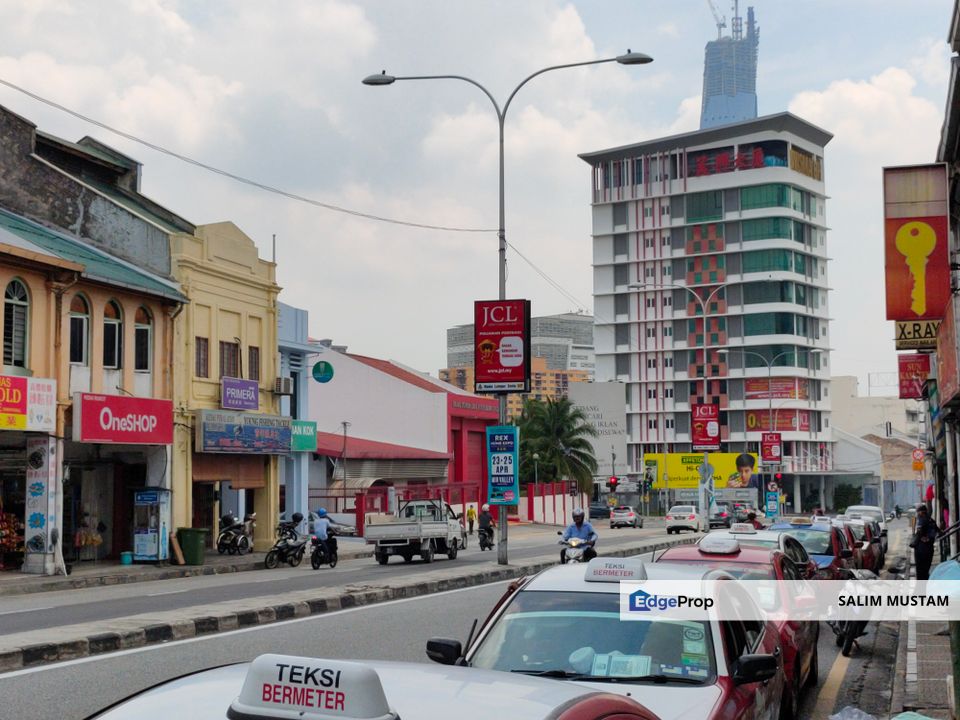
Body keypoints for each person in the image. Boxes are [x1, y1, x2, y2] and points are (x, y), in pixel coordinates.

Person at [913, 503, 939, 580]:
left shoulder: (921, 520)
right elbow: (939, 531)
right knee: (926, 569)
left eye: (918, 512)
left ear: (921, 512)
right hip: (930, 548)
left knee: (920, 571)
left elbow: (919, 533)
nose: (917, 513)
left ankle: (921, 589)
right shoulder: (932, 520)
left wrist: (915, 542)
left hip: (921, 549)